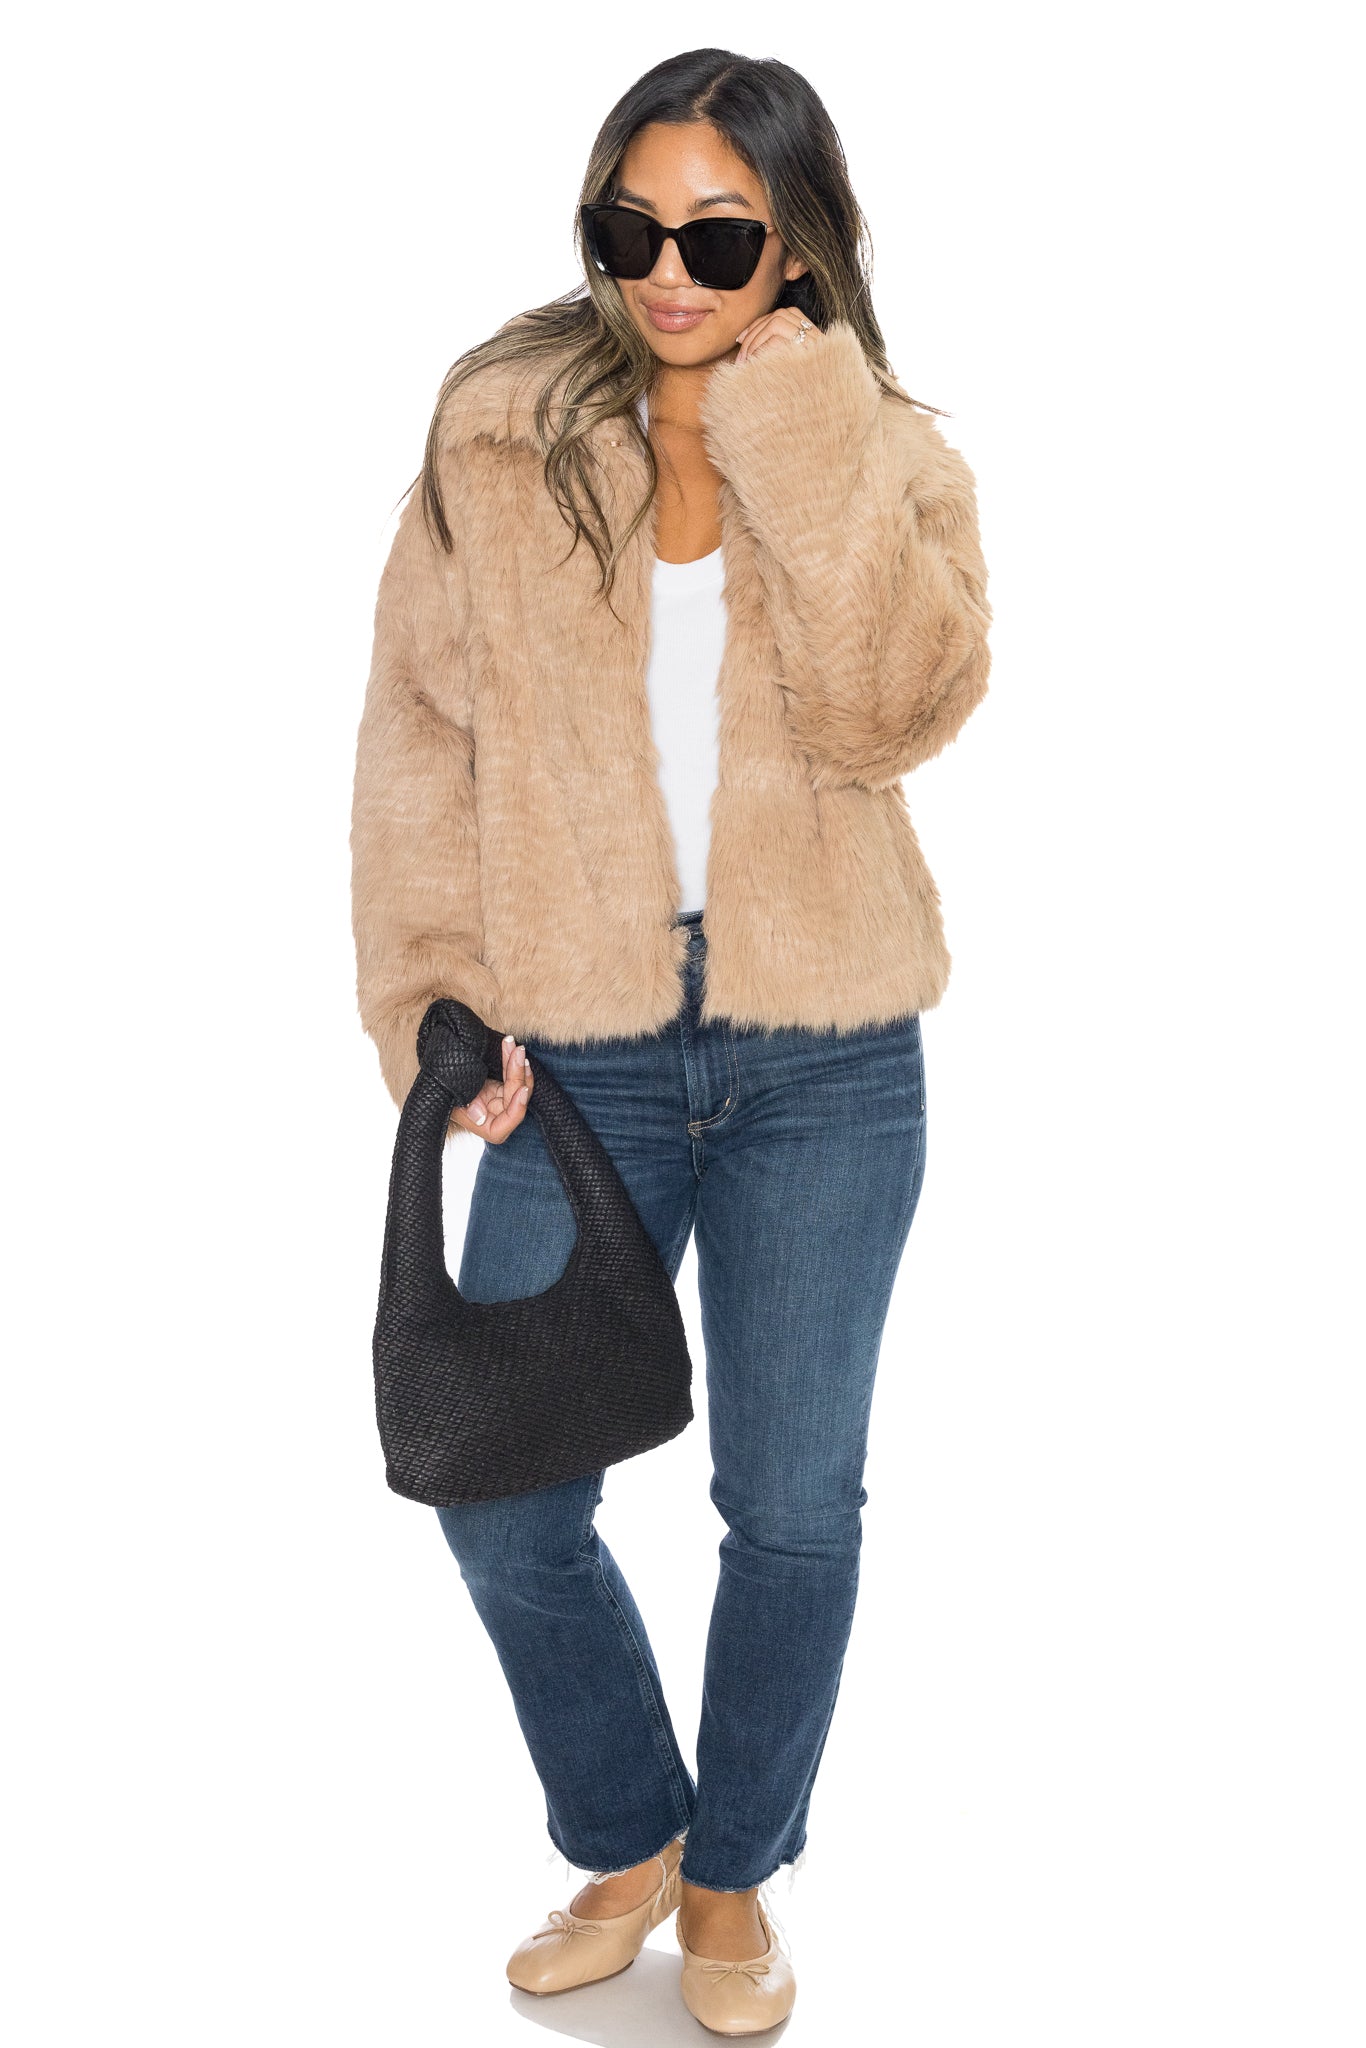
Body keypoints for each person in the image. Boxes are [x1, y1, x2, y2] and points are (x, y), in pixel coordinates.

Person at [349, 46, 991, 2037]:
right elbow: (419, 734)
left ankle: (728, 1882)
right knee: (501, 1493)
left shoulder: (885, 450)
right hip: (578, 1044)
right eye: (629, 228)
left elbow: (892, 707)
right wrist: (437, 998)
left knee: (789, 1505)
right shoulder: (502, 429)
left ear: (794, 243)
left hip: (824, 1049)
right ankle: (628, 1829)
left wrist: (795, 428)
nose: (665, 272)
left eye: (716, 237)